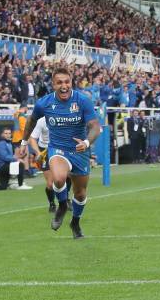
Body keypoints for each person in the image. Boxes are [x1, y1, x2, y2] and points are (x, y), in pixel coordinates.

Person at [22, 67, 101, 239]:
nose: (63, 86)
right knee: (58, 178)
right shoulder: (44, 103)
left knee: (80, 194)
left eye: (67, 82)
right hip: (58, 149)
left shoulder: (82, 100)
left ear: (71, 82)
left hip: (79, 151)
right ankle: (62, 205)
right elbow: (31, 120)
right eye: (59, 82)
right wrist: (23, 142)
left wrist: (87, 142)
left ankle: (75, 222)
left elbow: (95, 126)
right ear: (53, 84)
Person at [28, 116, 72, 212]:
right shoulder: (41, 121)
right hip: (45, 151)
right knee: (50, 184)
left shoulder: (63, 117)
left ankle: (66, 199)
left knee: (67, 176)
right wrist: (38, 152)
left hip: (60, 148)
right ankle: (52, 204)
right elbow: (32, 139)